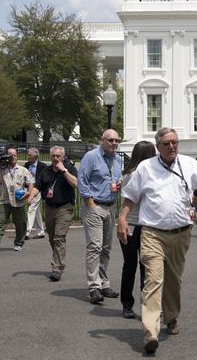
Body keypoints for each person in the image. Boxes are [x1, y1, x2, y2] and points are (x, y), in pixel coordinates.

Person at [118, 127, 197, 355]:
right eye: (167, 143)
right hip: (152, 233)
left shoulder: (190, 165)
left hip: (180, 233)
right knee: (153, 280)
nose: (172, 147)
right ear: (157, 146)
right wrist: (122, 218)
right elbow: (131, 196)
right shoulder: (145, 168)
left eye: (175, 142)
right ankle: (150, 332)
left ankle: (171, 317)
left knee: (173, 280)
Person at [78, 129, 123, 304]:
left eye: (116, 140)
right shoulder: (91, 157)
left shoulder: (117, 160)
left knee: (106, 248)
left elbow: (116, 180)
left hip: (110, 206)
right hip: (94, 206)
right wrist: (89, 201)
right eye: (110, 140)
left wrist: (117, 184)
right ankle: (94, 287)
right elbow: (82, 179)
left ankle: (104, 283)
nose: (114, 143)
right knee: (94, 246)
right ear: (102, 140)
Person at [117, 141, 157, 319]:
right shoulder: (136, 174)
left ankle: (130, 304)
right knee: (141, 266)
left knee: (133, 265)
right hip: (136, 224)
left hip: (137, 224)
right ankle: (138, 303)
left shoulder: (129, 172)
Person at [29, 146, 78, 281]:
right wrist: (31, 196)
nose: (56, 158)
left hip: (65, 207)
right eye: (53, 156)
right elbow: (38, 186)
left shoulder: (70, 169)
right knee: (52, 238)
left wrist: (64, 171)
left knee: (59, 237)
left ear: (63, 157)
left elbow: (76, 184)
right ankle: (58, 261)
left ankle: (57, 268)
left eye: (58, 156)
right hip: (50, 207)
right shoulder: (46, 171)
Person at [0, 147, 34, 253]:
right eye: (10, 155)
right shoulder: (3, 169)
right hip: (4, 200)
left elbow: (31, 182)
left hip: (18, 201)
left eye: (14, 155)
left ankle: (18, 243)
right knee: (0, 222)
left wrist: (29, 193)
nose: (12, 157)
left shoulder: (23, 170)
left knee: (21, 223)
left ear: (17, 156)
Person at [24, 148, 47, 240]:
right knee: (36, 210)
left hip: (37, 190)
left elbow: (45, 180)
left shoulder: (42, 166)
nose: (27, 156)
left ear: (35, 156)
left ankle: (26, 232)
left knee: (31, 208)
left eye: (29, 155)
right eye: (28, 155)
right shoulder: (26, 165)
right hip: (28, 189)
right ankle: (41, 232)